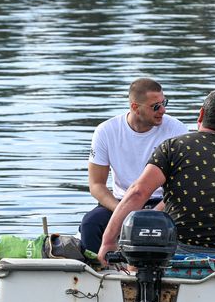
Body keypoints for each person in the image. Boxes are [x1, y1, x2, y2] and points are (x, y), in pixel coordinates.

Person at [98, 89, 215, 266]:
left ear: (201, 115)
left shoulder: (173, 147)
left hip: (177, 248)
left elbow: (138, 192)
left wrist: (108, 241)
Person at [79, 78, 187, 254]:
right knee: (90, 223)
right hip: (121, 202)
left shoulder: (177, 130)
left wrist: (152, 214)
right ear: (135, 107)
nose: (163, 110)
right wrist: (123, 212)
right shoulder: (106, 131)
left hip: (164, 203)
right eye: (155, 106)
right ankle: (97, 272)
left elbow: (183, 187)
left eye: (164, 103)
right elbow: (96, 185)